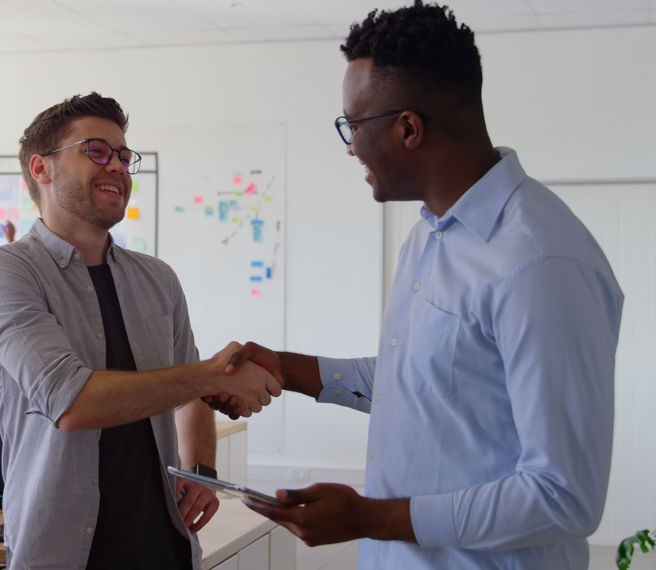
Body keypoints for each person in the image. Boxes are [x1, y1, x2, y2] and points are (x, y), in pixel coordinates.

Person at [219, 3, 625, 569]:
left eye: (353, 125)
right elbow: (425, 382)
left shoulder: (540, 262)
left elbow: (563, 495)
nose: (350, 147)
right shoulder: (431, 235)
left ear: (408, 128)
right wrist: (289, 370)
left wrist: (369, 517)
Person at [0, 93, 281, 569]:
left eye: (122, 155)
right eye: (95, 150)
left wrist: (201, 469)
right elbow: (71, 402)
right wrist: (211, 376)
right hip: (61, 552)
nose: (117, 165)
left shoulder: (158, 279)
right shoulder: (5, 273)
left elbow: (189, 391)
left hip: (165, 548)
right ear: (41, 168)